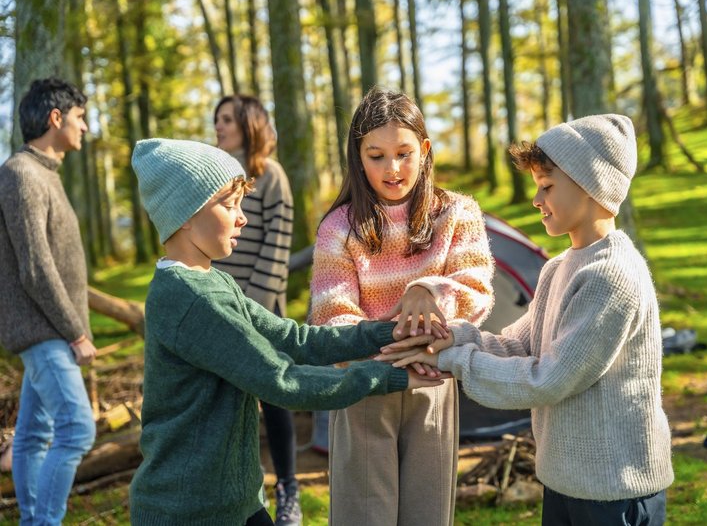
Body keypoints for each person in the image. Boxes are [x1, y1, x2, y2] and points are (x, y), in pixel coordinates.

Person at [127, 138, 444, 526]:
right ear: (186, 214)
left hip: (236, 501)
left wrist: (384, 333)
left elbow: (294, 340)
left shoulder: (214, 282)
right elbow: (281, 380)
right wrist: (391, 377)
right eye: (229, 205)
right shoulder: (190, 298)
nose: (242, 217)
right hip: (188, 510)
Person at [377, 114, 675, 525]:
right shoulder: (559, 268)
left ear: (591, 186)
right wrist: (452, 337)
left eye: (547, 186)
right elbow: (517, 345)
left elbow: (551, 377)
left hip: (615, 491)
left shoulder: (611, 274)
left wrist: (452, 362)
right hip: (565, 481)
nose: (536, 199)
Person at [309, 87, 494, 526]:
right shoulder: (338, 227)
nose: (392, 168)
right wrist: (397, 359)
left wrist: (428, 290)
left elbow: (476, 290)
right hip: (362, 388)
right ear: (357, 156)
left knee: (428, 515)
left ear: (425, 151)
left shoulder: (457, 213)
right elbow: (332, 314)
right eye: (376, 156)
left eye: (404, 153)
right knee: (364, 516)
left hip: (433, 386)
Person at [0, 77, 96, 525]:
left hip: (49, 330)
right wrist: (75, 330)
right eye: (79, 117)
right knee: (78, 429)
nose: (85, 126)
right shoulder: (21, 174)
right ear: (55, 118)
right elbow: (36, 269)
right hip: (43, 331)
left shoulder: (44, 174)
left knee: (34, 435)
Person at [211, 95, 302, 526]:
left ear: (250, 124)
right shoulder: (219, 178)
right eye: (217, 120)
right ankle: (244, 489)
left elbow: (277, 247)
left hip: (261, 307)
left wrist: (251, 311)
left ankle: (289, 490)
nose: (219, 127)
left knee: (274, 397)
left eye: (226, 119)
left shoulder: (271, 175)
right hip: (221, 307)